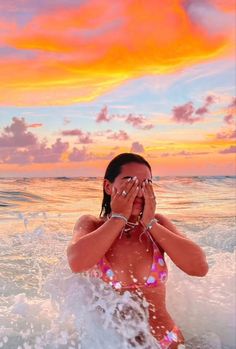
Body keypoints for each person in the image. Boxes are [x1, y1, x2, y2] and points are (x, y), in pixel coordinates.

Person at [67, 153, 209, 349]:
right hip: (109, 344)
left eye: (146, 183)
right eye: (130, 182)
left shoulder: (158, 225)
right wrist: (118, 218)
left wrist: (150, 223)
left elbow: (199, 267)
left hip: (166, 342)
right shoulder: (91, 225)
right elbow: (77, 262)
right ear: (108, 187)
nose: (139, 190)